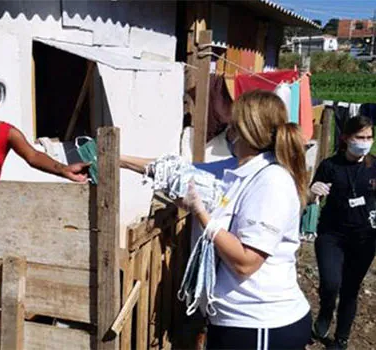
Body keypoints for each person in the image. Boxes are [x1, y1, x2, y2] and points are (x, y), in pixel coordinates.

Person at [123, 90, 311, 349]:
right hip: (232, 320)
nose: (227, 128)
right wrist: (115, 158)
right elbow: (174, 170)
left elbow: (246, 262)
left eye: (232, 122)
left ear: (243, 129)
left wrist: (201, 213)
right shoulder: (233, 169)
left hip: (262, 325)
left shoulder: (272, 182)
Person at [309, 116, 376, 350]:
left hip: (365, 238)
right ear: (346, 138)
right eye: (360, 137)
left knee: (350, 289)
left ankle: (341, 339)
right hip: (332, 235)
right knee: (330, 282)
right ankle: (326, 311)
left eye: (369, 137)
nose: (365, 142)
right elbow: (310, 196)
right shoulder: (330, 166)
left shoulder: (373, 166)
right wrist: (313, 191)